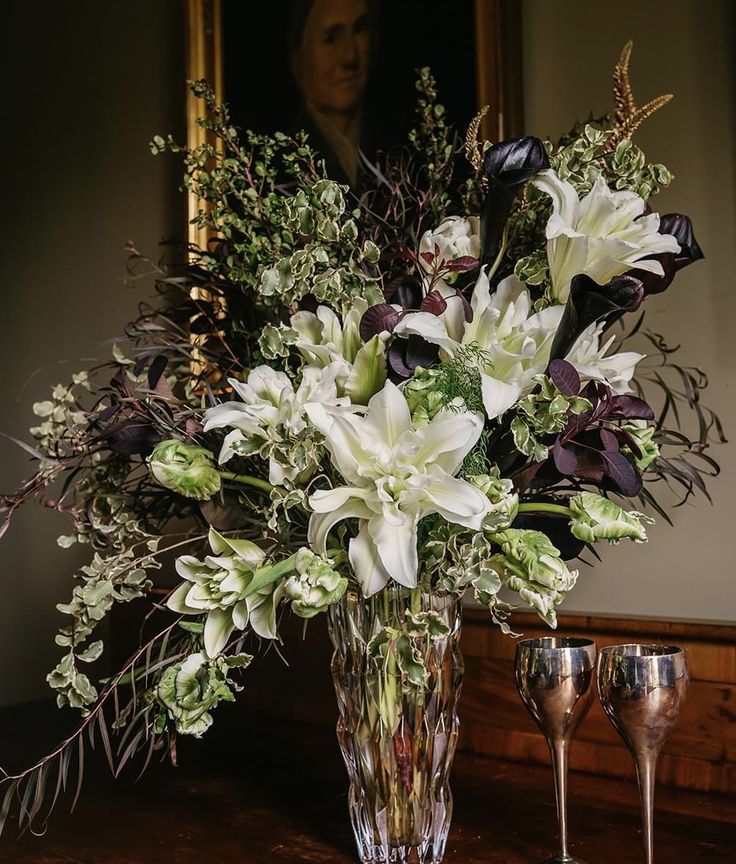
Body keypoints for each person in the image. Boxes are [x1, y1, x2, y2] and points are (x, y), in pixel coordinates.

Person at [289, 0, 376, 187]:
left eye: (359, 29)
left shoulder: (402, 145)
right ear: (298, 59)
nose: (350, 57)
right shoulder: (281, 160)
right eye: (330, 39)